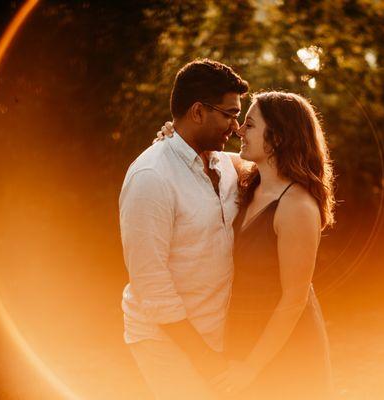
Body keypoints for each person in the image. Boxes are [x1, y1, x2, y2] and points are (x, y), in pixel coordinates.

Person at [157, 91, 335, 399]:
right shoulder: (248, 176)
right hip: (242, 331)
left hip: (285, 347)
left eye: (249, 125)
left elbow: (294, 300)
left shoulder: (297, 207)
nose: (238, 130)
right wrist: (173, 138)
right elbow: (199, 155)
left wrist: (252, 367)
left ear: (277, 138)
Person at [119, 59, 248, 400]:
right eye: (230, 114)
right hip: (167, 343)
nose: (236, 127)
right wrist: (204, 357)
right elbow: (151, 285)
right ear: (197, 111)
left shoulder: (223, 163)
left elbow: (273, 163)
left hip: (216, 333)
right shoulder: (151, 177)